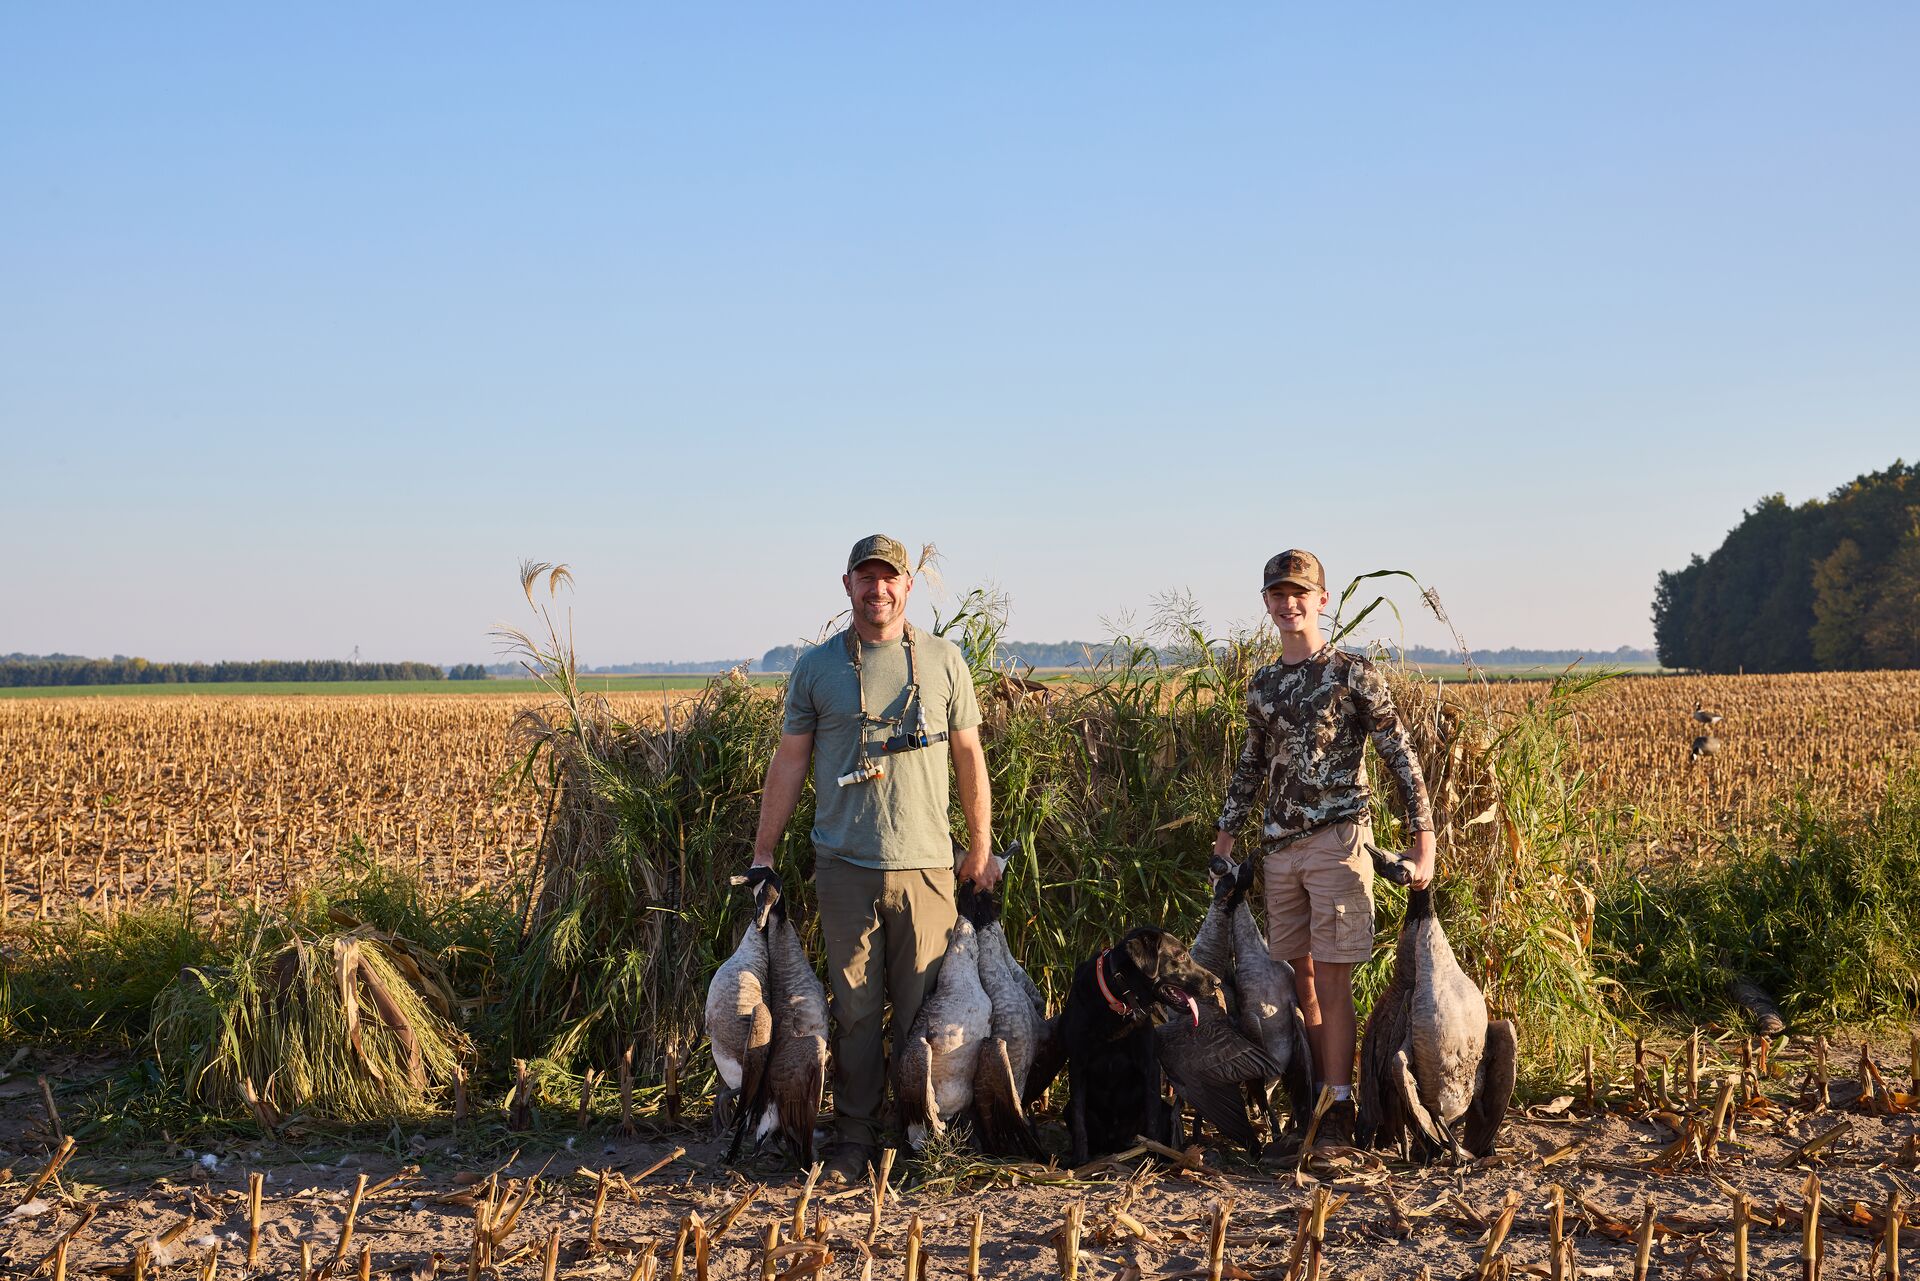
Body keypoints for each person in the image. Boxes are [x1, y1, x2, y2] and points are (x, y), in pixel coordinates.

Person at [749, 534, 997, 1185]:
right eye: (867, 577)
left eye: (889, 578)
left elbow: (970, 755)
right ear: (848, 584)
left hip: (927, 869)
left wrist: (979, 842)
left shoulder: (945, 661)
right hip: (844, 870)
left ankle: (918, 1137)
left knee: (924, 1016)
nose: (877, 588)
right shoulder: (817, 667)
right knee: (855, 1012)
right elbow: (790, 760)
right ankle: (854, 1140)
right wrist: (763, 850)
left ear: (907, 586)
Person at [1212, 548, 1435, 1149]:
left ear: (1322, 600)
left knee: (1334, 984)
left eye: (1299, 594)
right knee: (1301, 984)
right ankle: (1318, 1104)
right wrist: (1226, 841)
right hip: (1279, 853)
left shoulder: (1352, 674)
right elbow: (1251, 766)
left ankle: (1339, 1114)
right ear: (1266, 604)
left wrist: (1424, 840)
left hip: (1339, 845)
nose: (1289, 604)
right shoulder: (1262, 685)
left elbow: (1401, 757)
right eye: (1278, 595)